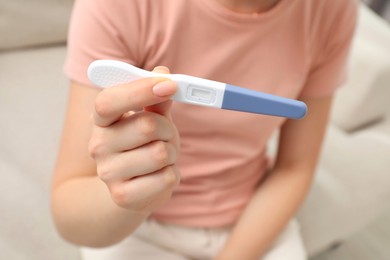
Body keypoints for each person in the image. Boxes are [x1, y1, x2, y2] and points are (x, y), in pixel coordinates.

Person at [51, 0, 357, 259]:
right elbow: (70, 216)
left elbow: (295, 166)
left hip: (251, 222)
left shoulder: (332, 10)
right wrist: (131, 195)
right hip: (135, 229)